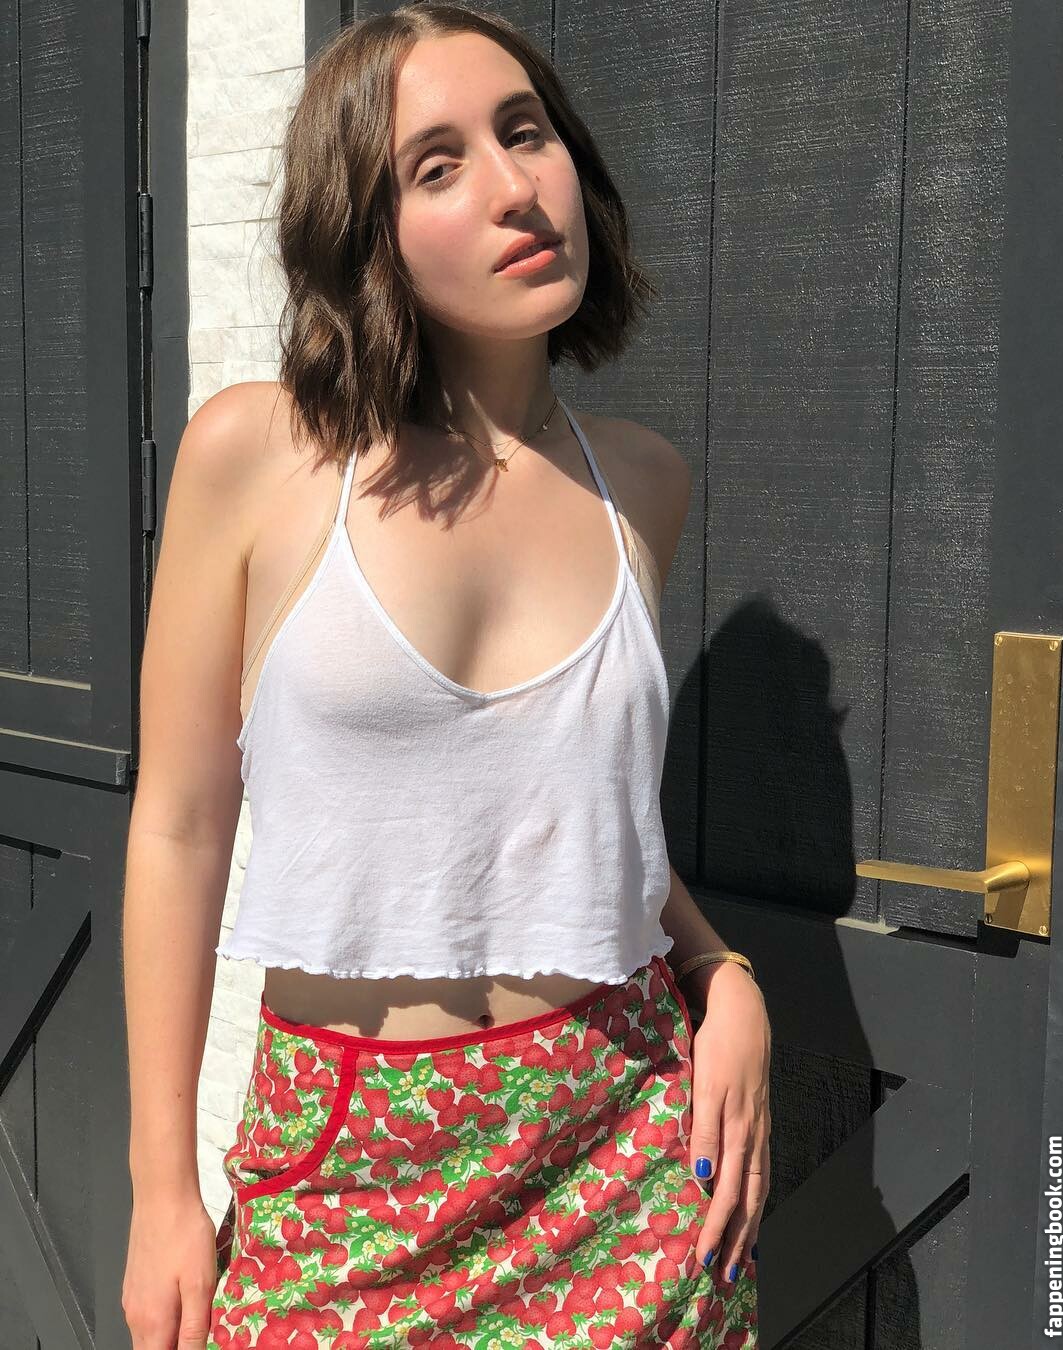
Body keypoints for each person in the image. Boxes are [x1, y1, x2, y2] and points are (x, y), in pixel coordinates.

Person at [120, 5, 771, 1347]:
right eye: (438, 164)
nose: (516, 186)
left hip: (623, 1142)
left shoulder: (640, 483)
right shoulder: (257, 456)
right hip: (348, 1168)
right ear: (366, 230)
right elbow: (179, 826)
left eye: (526, 133)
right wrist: (161, 1186)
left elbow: (577, 820)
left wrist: (726, 973)